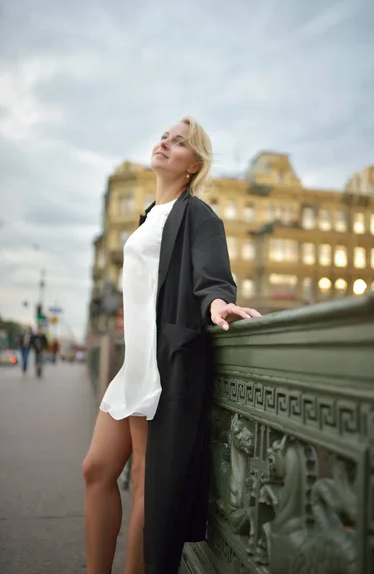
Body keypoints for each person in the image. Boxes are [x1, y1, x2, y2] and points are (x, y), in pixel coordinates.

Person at [82, 116, 262, 574]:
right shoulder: (148, 216)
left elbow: (213, 275)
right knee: (96, 470)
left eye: (178, 142)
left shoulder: (197, 213)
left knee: (145, 482)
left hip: (162, 367)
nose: (165, 143)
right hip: (135, 362)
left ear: (193, 164)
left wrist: (218, 304)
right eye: (164, 136)